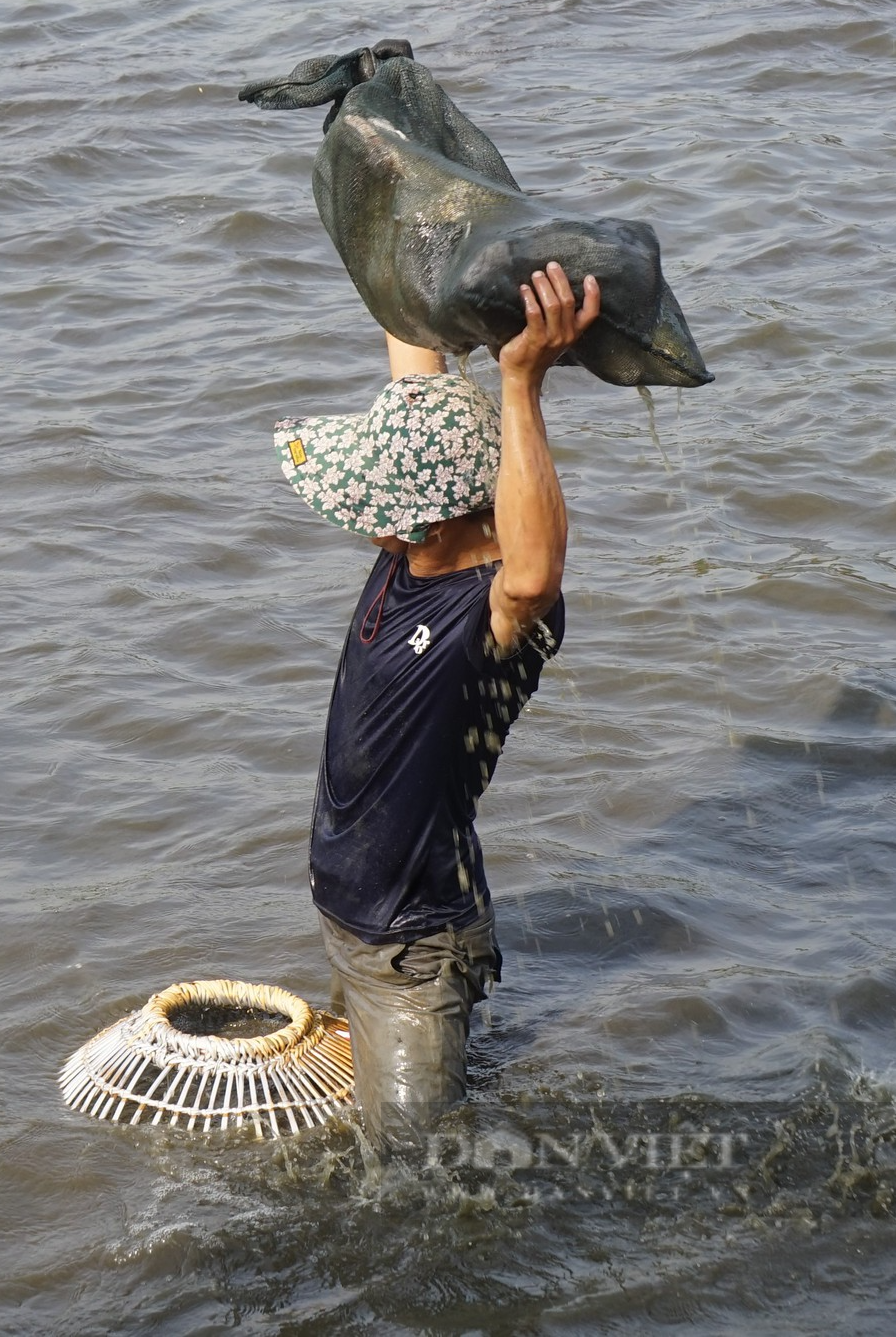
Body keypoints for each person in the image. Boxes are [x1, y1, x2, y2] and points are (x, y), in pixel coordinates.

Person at [273, 263, 600, 1152]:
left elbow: (535, 572)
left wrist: (521, 382)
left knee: (416, 1180)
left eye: (379, 507)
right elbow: (412, 348)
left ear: (436, 519)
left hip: (415, 952)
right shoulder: (413, 547)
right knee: (403, 1129)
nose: (363, 521)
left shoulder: (490, 616)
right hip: (354, 921)